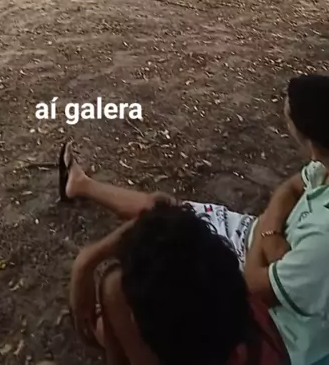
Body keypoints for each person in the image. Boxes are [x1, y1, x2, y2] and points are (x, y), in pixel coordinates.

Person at [64, 74, 329, 365]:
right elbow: (291, 187)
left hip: (276, 325)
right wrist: (270, 233)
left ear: (311, 142)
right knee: (161, 219)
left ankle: (114, 328)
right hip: (253, 249)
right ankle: (81, 185)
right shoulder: (324, 166)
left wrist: (265, 230)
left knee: (116, 305)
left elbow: (254, 288)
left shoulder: (322, 241)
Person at [70, 201, 288, 365]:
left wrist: (88, 261)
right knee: (113, 287)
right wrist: (87, 261)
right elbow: (165, 216)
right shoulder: (228, 299)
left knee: (112, 292)